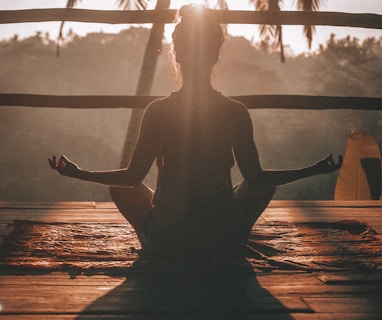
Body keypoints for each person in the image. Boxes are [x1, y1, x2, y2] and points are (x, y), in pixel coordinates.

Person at [49, 5, 342, 260]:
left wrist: (79, 173)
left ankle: (153, 241)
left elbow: (131, 178)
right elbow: (257, 178)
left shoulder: (158, 111)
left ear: (177, 55)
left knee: (121, 188)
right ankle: (233, 235)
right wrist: (313, 169)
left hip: (168, 241)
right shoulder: (235, 111)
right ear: (215, 55)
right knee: (263, 184)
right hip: (223, 239)